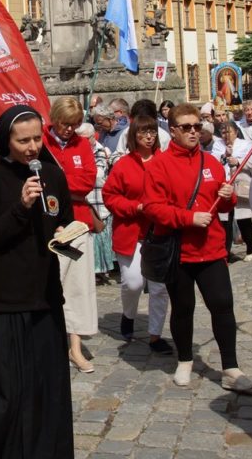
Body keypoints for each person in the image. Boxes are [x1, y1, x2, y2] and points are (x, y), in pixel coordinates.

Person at [0, 104, 75, 458]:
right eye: (23, 140)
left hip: (45, 297)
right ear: (5, 139)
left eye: (37, 138)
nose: (32, 147)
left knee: (50, 389)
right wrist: (20, 208)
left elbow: (63, 219)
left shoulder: (53, 175)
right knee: (10, 396)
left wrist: (69, 234)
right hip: (5, 302)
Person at [142, 104, 252, 393]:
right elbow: (155, 209)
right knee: (183, 308)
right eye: (186, 127)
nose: (194, 131)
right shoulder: (158, 165)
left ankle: (230, 367)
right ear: (173, 130)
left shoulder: (211, 163)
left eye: (197, 126)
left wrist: (228, 196)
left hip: (212, 249)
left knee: (222, 306)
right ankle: (184, 359)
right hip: (178, 250)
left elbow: (224, 205)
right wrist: (188, 218)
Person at [101, 115, 173, 355]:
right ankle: (129, 314)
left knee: (159, 287)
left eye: (152, 131)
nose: (149, 136)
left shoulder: (166, 162)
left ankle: (155, 335)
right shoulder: (123, 165)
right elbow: (110, 197)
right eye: (143, 132)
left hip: (160, 234)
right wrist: (135, 207)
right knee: (133, 283)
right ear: (134, 136)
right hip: (132, 233)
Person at [43, 96, 99, 374]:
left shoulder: (81, 145)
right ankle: (50, 340)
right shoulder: (40, 142)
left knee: (76, 286)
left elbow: (87, 182)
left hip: (77, 226)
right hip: (48, 226)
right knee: (49, 283)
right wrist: (63, 183)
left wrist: (58, 182)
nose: (70, 130)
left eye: (75, 125)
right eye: (66, 124)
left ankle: (75, 347)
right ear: (55, 119)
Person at [78, 121, 116, 286]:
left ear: (93, 137)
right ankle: (93, 271)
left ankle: (101, 271)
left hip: (99, 199)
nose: (83, 142)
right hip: (86, 198)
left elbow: (98, 174)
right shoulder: (80, 150)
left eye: (86, 138)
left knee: (101, 236)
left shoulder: (101, 151)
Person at [219, 122, 252, 262]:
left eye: (229, 132)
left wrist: (238, 162)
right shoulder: (218, 145)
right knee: (225, 221)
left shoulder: (245, 144)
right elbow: (214, 162)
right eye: (223, 132)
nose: (226, 135)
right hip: (224, 187)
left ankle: (250, 247)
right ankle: (225, 251)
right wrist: (224, 156)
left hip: (240, 184)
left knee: (243, 219)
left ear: (236, 132)